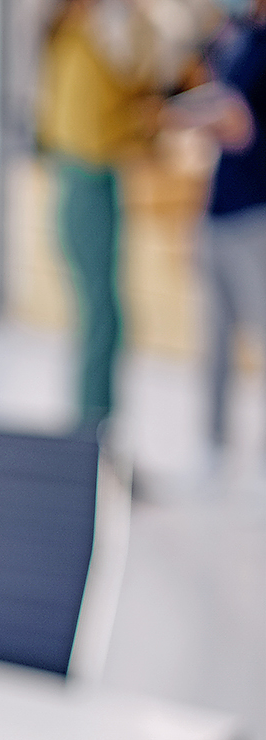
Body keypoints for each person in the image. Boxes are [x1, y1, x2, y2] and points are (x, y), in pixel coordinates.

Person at [39, 0, 164, 436]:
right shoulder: (77, 48)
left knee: (103, 317)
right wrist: (149, 121)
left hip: (90, 187)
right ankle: (92, 432)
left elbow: (126, 92)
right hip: (86, 187)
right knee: (102, 320)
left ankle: (97, 429)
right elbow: (97, 131)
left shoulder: (81, 45)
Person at [168, 0, 266, 463]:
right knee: (214, 341)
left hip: (255, 215)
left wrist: (190, 116)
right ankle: (213, 446)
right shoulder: (237, 37)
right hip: (219, 210)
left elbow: (240, 126)